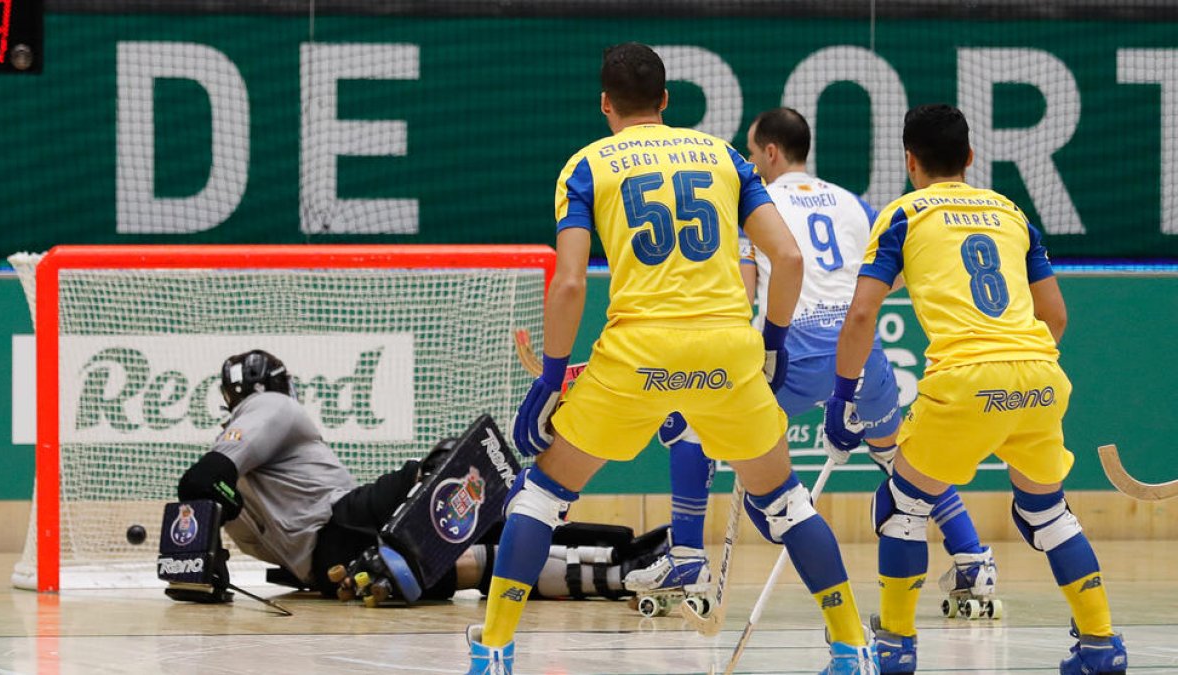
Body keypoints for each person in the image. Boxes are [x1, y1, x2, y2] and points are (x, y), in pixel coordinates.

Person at [466, 43, 876, 675]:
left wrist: (551, 378)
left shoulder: (584, 167)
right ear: (665, 102)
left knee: (541, 495)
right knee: (787, 502)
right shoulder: (725, 157)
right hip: (725, 350)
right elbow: (788, 260)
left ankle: (494, 651)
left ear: (605, 104)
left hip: (637, 354)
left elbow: (570, 283)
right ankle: (853, 649)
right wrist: (768, 343)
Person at [626, 107, 1001, 620]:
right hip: (859, 351)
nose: (753, 163)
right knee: (902, 459)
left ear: (772, 153)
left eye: (755, 154)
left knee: (696, 428)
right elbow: (898, 270)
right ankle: (972, 559)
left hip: (792, 355)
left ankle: (689, 559)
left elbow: (742, 292)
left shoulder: (752, 201)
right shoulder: (852, 203)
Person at [825, 104, 1127, 674]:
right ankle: (1101, 645)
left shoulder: (903, 214)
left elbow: (862, 314)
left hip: (966, 382)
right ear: (969, 158)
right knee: (1048, 513)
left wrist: (843, 396)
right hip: (1039, 375)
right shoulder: (1013, 213)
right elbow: (1054, 316)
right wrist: (1019, 378)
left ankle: (894, 647)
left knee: (902, 505)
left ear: (909, 161)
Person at [173, 349, 661, 605]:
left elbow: (204, 487)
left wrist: (204, 565)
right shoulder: (274, 403)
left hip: (328, 570)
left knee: (483, 563)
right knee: (464, 487)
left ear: (227, 396)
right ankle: (635, 557)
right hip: (343, 523)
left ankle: (622, 566)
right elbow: (203, 479)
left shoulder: (243, 450)